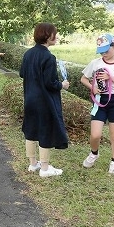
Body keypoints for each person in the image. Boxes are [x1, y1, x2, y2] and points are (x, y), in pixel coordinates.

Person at [20, 23, 69, 178]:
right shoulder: (48, 57)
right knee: (45, 131)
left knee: (31, 130)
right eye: (55, 34)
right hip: (44, 101)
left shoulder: (28, 54)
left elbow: (22, 73)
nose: (57, 36)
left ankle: (33, 164)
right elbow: (50, 83)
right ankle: (45, 169)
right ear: (48, 36)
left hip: (29, 98)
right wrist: (62, 85)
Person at [80, 33, 114, 175]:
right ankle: (94, 153)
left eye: (106, 50)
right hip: (99, 101)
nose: (104, 54)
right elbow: (83, 78)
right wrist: (92, 87)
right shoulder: (96, 63)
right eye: (101, 51)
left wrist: (111, 78)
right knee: (95, 134)